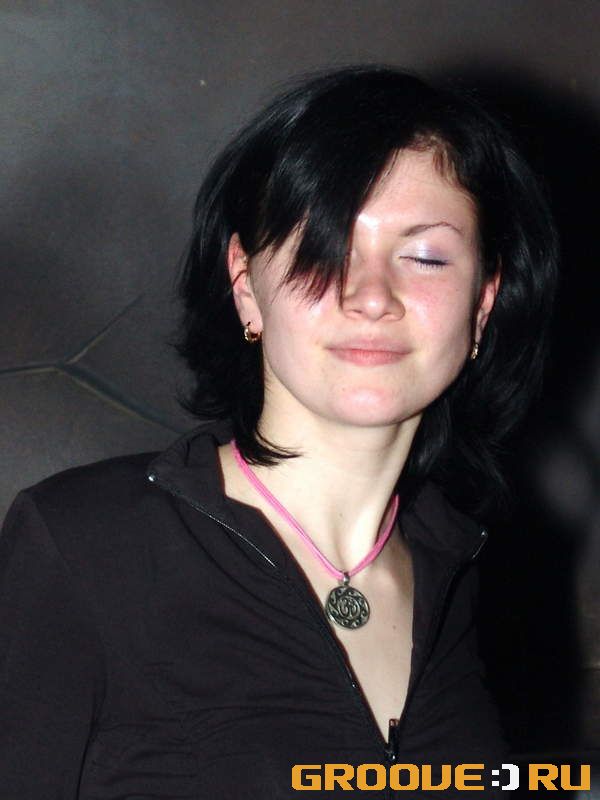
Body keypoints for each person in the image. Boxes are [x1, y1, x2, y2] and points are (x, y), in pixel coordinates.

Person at [0, 66, 557, 798]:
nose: (371, 297)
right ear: (245, 285)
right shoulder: (82, 545)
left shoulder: (463, 571)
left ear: (483, 303)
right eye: (322, 246)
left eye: (425, 257)